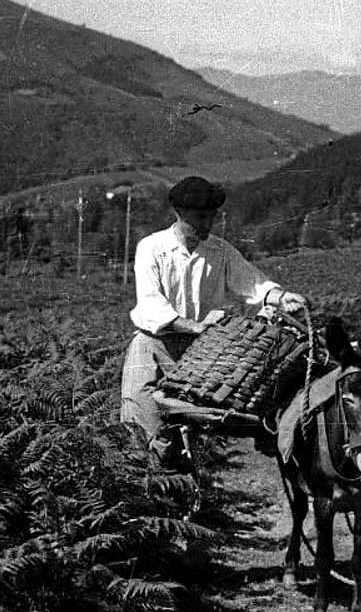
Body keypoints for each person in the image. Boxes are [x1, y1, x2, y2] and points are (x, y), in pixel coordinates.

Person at [120, 175, 306, 468]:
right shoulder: (152, 248)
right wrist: (194, 326)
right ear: (179, 215)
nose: (207, 224)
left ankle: (189, 496)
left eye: (211, 218)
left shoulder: (220, 251)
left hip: (201, 354)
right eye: (199, 218)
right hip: (153, 348)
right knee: (144, 430)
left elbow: (252, 284)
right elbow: (151, 305)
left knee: (194, 432)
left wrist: (281, 297)